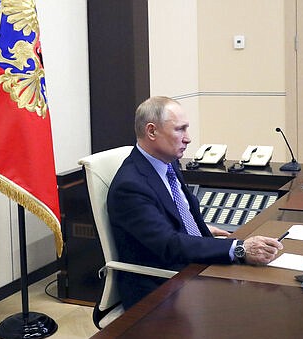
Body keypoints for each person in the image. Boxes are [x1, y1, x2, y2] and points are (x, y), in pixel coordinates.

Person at [107, 96, 283, 309]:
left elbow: (164, 220)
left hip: (191, 267)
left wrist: (201, 228)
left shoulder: (168, 165)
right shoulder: (131, 185)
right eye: (180, 130)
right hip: (161, 287)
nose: (188, 138)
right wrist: (239, 248)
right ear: (151, 131)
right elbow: (168, 245)